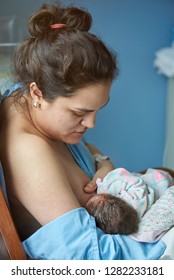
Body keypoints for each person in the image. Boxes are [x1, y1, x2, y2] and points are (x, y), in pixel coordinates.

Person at [0, 2, 167, 260]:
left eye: (97, 110)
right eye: (79, 113)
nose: (91, 125)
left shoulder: (29, 103)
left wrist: (102, 160)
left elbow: (89, 150)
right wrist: (167, 244)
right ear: (37, 92)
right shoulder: (27, 151)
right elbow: (86, 258)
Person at [86, 167, 174, 242]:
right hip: (161, 181)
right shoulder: (134, 200)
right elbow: (127, 178)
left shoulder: (127, 219)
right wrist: (104, 186)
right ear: (104, 200)